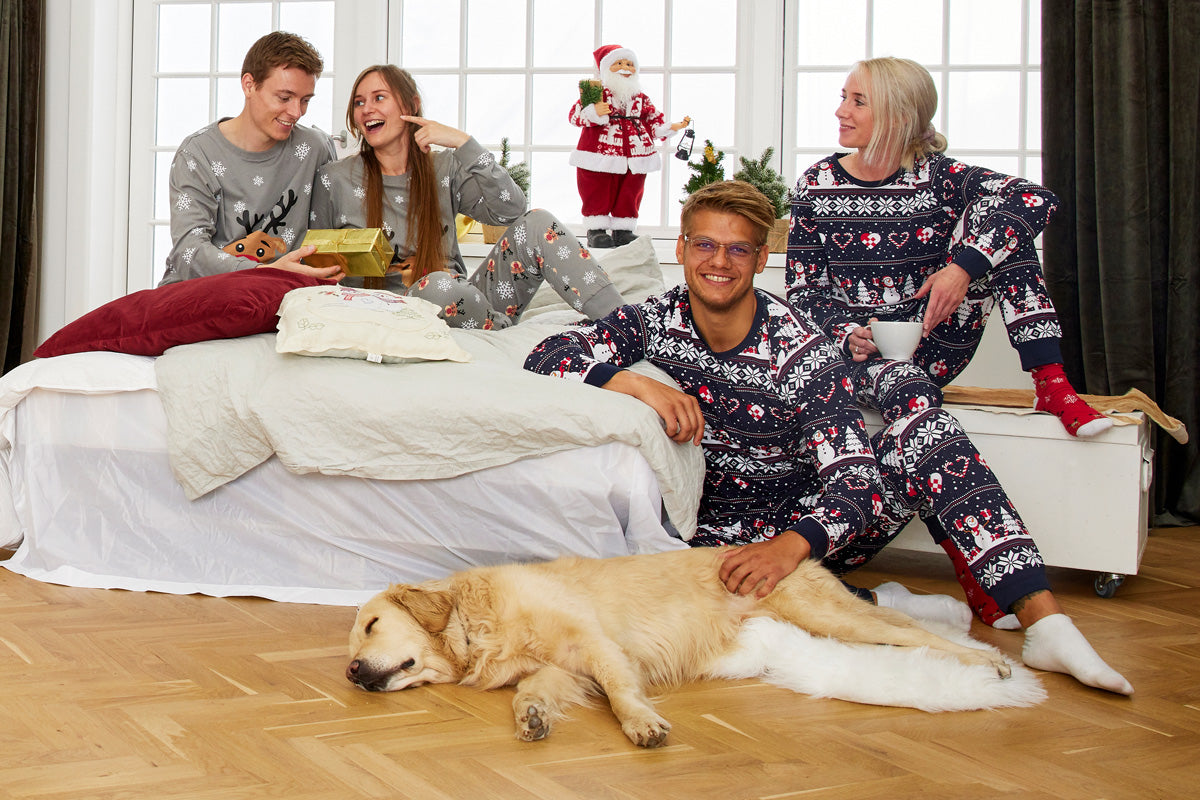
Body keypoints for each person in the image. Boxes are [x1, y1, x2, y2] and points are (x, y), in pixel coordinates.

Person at [525, 180, 1132, 696]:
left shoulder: (801, 349)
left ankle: (1045, 622)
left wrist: (792, 545)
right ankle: (875, 605)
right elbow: (547, 353)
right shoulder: (657, 320)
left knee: (926, 431)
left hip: (806, 530)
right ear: (681, 249)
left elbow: (856, 483)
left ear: (762, 260)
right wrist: (637, 385)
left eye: (738, 250)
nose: (719, 262)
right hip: (709, 539)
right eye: (705, 244)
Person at [786, 57, 1111, 441]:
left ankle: (1051, 383)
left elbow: (1036, 198)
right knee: (907, 391)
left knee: (999, 216)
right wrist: (846, 333)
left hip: (933, 339)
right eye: (844, 97)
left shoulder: (937, 175)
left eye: (859, 101)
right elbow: (803, 292)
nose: (841, 111)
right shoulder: (816, 183)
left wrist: (963, 269)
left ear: (899, 117)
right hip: (860, 355)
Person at [310, 65, 624, 329]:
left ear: (411, 105)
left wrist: (464, 144)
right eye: (359, 102)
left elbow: (511, 210)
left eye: (379, 97)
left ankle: (627, 324)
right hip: (390, 314)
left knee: (538, 222)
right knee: (437, 287)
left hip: (464, 303)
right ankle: (497, 332)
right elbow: (314, 261)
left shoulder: (445, 167)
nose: (367, 110)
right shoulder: (334, 179)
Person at [160, 31, 341, 286]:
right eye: (285, 97)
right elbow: (189, 253)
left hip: (284, 294)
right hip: (206, 292)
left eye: (305, 100)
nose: (296, 112)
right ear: (249, 85)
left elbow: (327, 235)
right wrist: (268, 273)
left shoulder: (316, 148)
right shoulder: (197, 154)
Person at [568, 44, 690, 249]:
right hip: (599, 153)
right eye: (619, 63)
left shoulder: (640, 98)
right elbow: (574, 115)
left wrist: (670, 127)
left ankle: (623, 230)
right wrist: (594, 111)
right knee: (597, 187)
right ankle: (596, 229)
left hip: (636, 153)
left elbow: (653, 120)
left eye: (630, 64)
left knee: (631, 189)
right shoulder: (597, 93)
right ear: (606, 68)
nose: (625, 68)